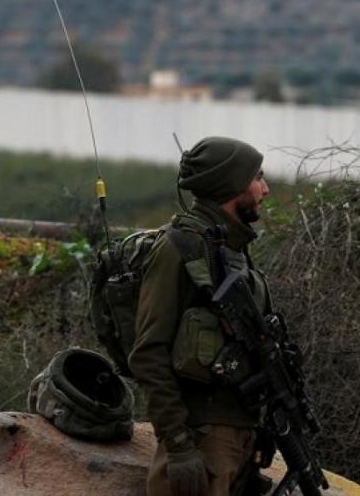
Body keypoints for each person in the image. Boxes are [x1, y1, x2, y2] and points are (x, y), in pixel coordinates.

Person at [130, 136, 272, 496]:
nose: (265, 189)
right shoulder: (180, 247)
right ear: (232, 185)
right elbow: (148, 353)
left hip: (238, 435)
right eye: (258, 177)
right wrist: (179, 444)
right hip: (202, 439)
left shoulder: (231, 248)